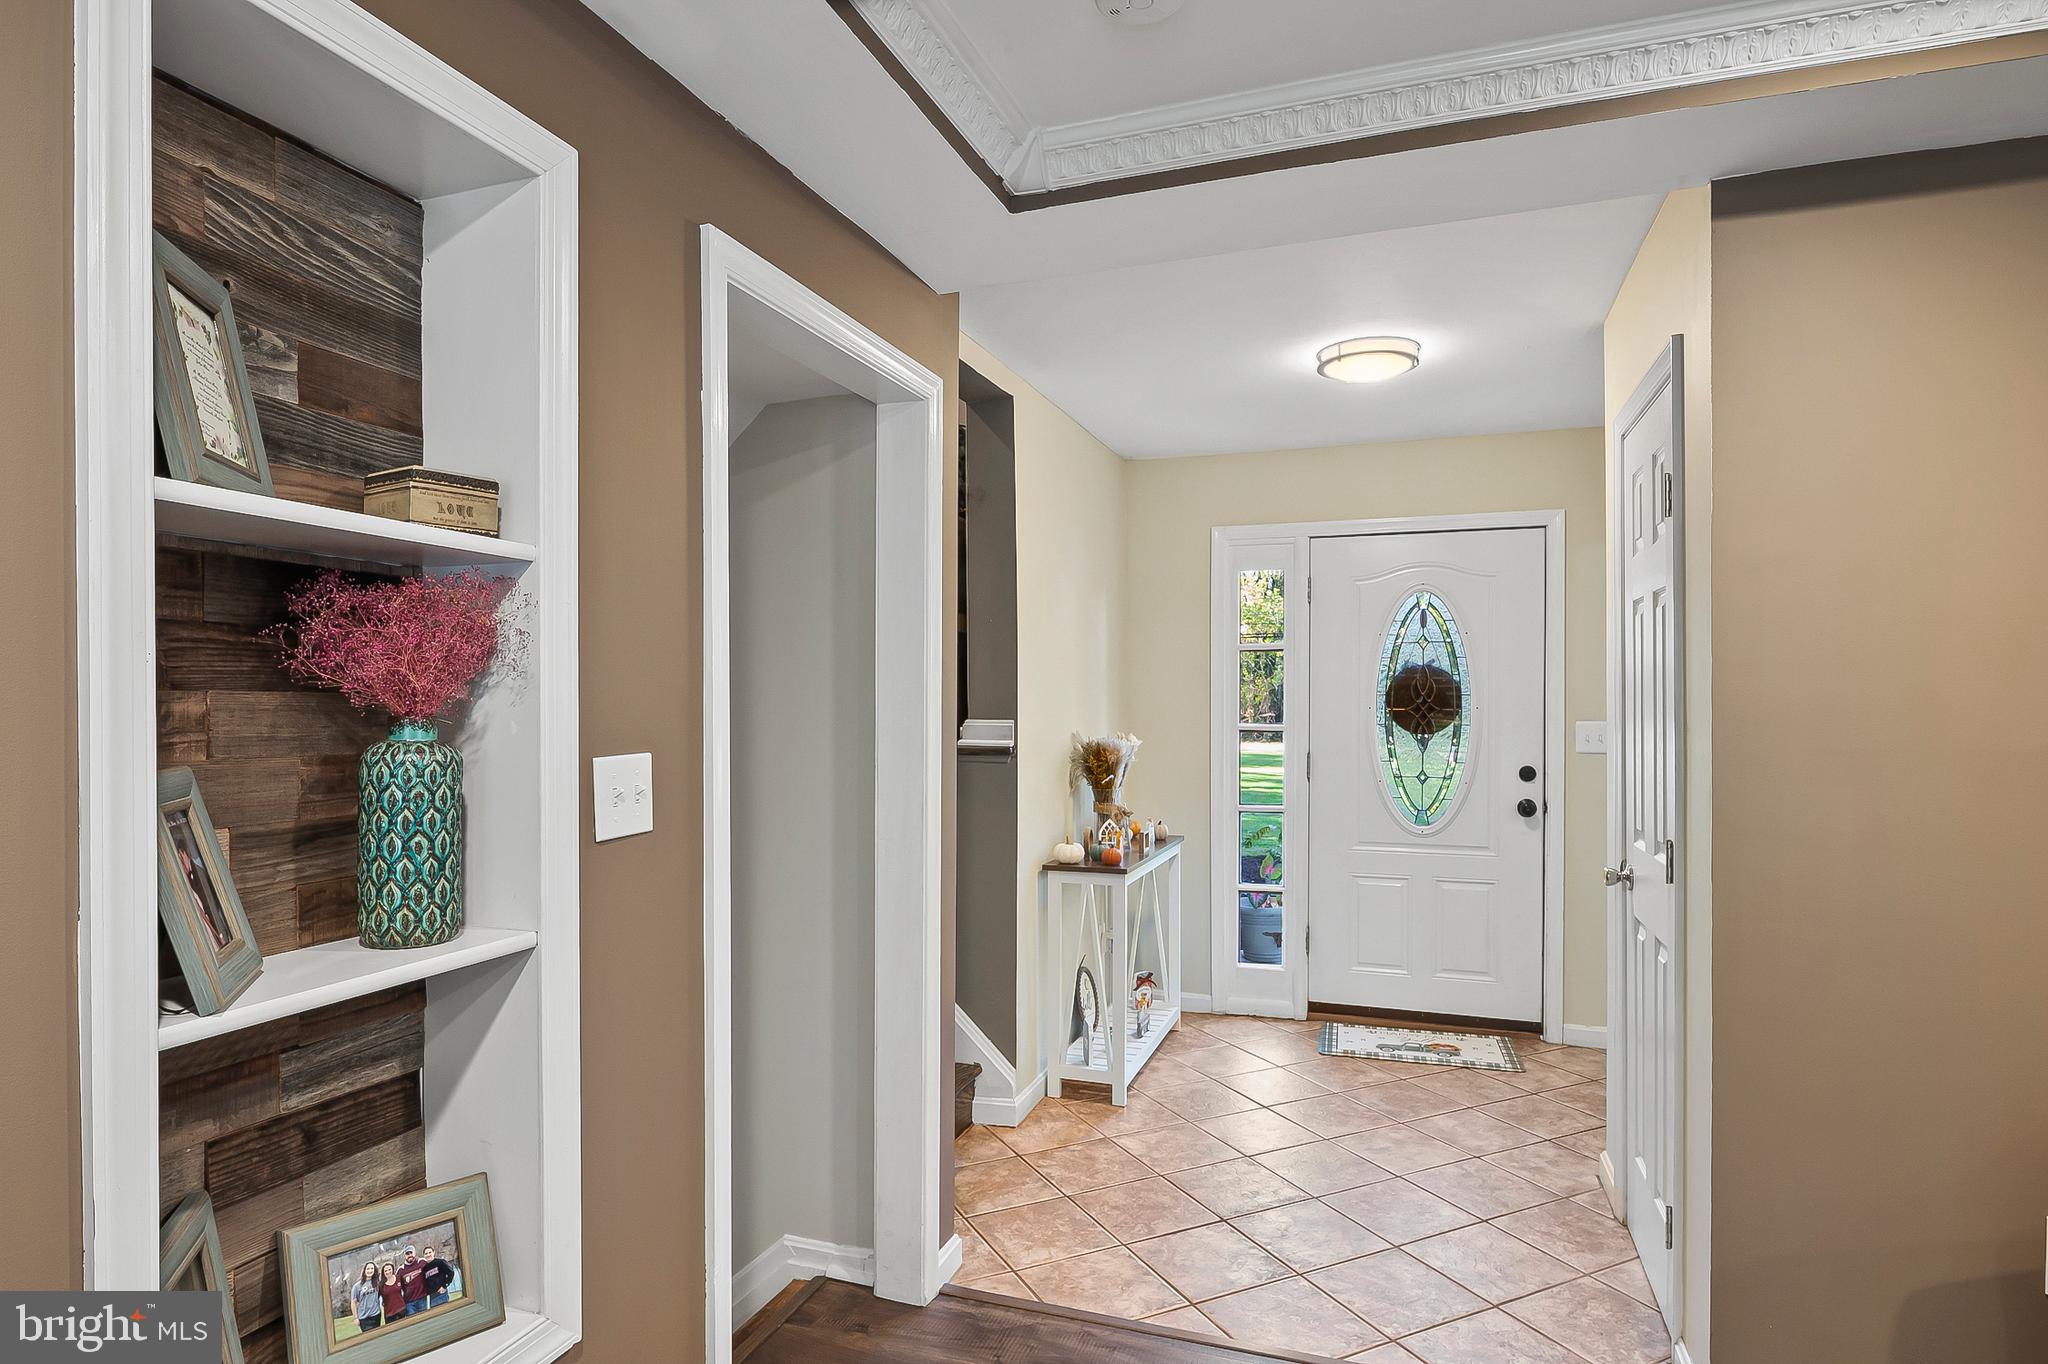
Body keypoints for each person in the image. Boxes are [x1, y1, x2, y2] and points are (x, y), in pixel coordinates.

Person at [396, 1246, 429, 1316]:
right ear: (405, 1256)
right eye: (407, 1254)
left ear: (414, 1253)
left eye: (411, 1253)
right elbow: (398, 1287)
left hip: (422, 1298)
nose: (409, 1255)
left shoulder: (422, 1262)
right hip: (409, 1302)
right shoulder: (400, 1270)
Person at [351, 1263, 382, 1334]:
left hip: (376, 1315)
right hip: (364, 1318)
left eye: (372, 1268)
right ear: (364, 1270)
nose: (370, 1270)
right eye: (368, 1269)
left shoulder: (377, 1283)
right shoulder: (357, 1286)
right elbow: (353, 1303)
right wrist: (356, 1318)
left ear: (374, 1270)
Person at [419, 1244, 453, 1309]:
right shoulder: (424, 1268)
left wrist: (444, 1286)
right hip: (431, 1297)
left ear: (433, 1252)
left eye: (430, 1252)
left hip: (441, 1294)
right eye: (426, 1253)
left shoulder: (440, 1262)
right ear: (424, 1256)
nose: (428, 1255)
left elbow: (451, 1273)